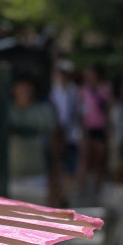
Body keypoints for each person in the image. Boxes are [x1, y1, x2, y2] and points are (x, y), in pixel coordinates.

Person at [6, 76, 58, 206]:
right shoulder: (7, 111)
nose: (25, 92)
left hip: (37, 177)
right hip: (12, 177)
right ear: (14, 90)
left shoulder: (42, 111)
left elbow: (54, 143)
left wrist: (56, 176)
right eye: (21, 88)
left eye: (28, 88)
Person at [48, 63, 81, 208]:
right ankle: (56, 198)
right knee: (56, 167)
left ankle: (64, 197)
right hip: (55, 134)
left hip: (70, 135)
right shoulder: (52, 90)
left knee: (69, 169)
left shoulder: (74, 91)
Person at [76, 68, 111, 204]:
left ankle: (97, 188)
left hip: (101, 128)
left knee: (99, 159)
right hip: (87, 128)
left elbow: (108, 108)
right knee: (85, 158)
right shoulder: (83, 91)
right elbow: (81, 110)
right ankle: (82, 188)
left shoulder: (105, 89)